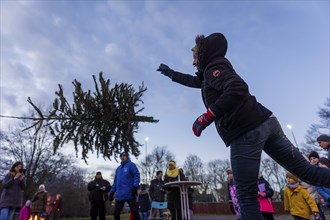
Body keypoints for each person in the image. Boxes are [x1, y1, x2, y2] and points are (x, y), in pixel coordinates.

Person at [156, 32, 330, 220]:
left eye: (195, 57)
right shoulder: (211, 73)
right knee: (308, 173)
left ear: (204, 53)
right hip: (267, 122)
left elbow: (237, 88)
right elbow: (192, 81)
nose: (193, 62)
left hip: (246, 131)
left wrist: (207, 116)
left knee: (246, 195)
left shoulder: (215, 68)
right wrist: (170, 73)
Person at [109, 152, 141, 220]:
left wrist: (135, 186)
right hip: (119, 195)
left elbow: (136, 175)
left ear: (127, 157)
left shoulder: (131, 165)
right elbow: (115, 182)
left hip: (130, 193)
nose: (122, 157)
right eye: (121, 156)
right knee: (116, 213)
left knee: (134, 211)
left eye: (124, 156)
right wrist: (112, 192)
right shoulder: (118, 169)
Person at [300, 151, 326, 220]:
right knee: (318, 214)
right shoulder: (307, 170)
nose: (313, 160)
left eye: (314, 158)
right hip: (313, 196)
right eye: (311, 159)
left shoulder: (322, 166)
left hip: (324, 194)